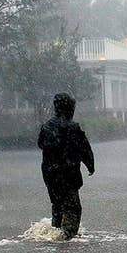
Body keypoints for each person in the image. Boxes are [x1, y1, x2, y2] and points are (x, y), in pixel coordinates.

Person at [38, 92, 95, 240]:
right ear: (70, 109)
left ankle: (55, 233)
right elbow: (85, 149)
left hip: (50, 174)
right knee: (72, 207)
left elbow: (41, 144)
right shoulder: (73, 128)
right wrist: (90, 165)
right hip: (68, 174)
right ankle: (67, 237)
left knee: (57, 204)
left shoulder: (46, 126)